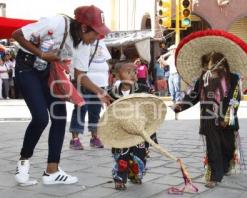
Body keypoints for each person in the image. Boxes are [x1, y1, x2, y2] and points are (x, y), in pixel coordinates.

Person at [12, 5, 112, 186]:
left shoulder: (82, 43)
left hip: (49, 73)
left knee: (59, 118)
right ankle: (24, 161)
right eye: (96, 33)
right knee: (41, 118)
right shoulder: (57, 23)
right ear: (83, 28)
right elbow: (17, 34)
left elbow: (80, 74)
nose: (97, 37)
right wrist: (42, 54)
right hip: (26, 68)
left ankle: (52, 171)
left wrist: (100, 92)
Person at [173, 30, 247, 188]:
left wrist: (226, 117)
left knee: (228, 146)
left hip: (227, 120)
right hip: (208, 120)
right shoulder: (202, 79)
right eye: (208, 63)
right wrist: (180, 106)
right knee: (213, 147)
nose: (210, 66)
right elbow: (193, 96)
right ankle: (214, 176)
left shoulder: (233, 78)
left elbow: (235, 99)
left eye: (214, 62)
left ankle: (225, 166)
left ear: (223, 63)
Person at [108, 61, 157, 190]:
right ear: (117, 76)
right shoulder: (111, 93)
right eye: (127, 72)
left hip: (139, 130)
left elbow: (151, 110)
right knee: (121, 155)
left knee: (140, 154)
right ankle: (119, 178)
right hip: (121, 130)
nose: (132, 74)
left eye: (134, 72)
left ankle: (135, 174)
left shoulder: (144, 90)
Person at [69, 39, 111, 150]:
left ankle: (94, 137)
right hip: (85, 82)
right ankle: (75, 139)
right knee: (81, 109)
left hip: (100, 84)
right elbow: (74, 61)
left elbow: (106, 61)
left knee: (96, 110)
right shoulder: (81, 42)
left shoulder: (101, 42)